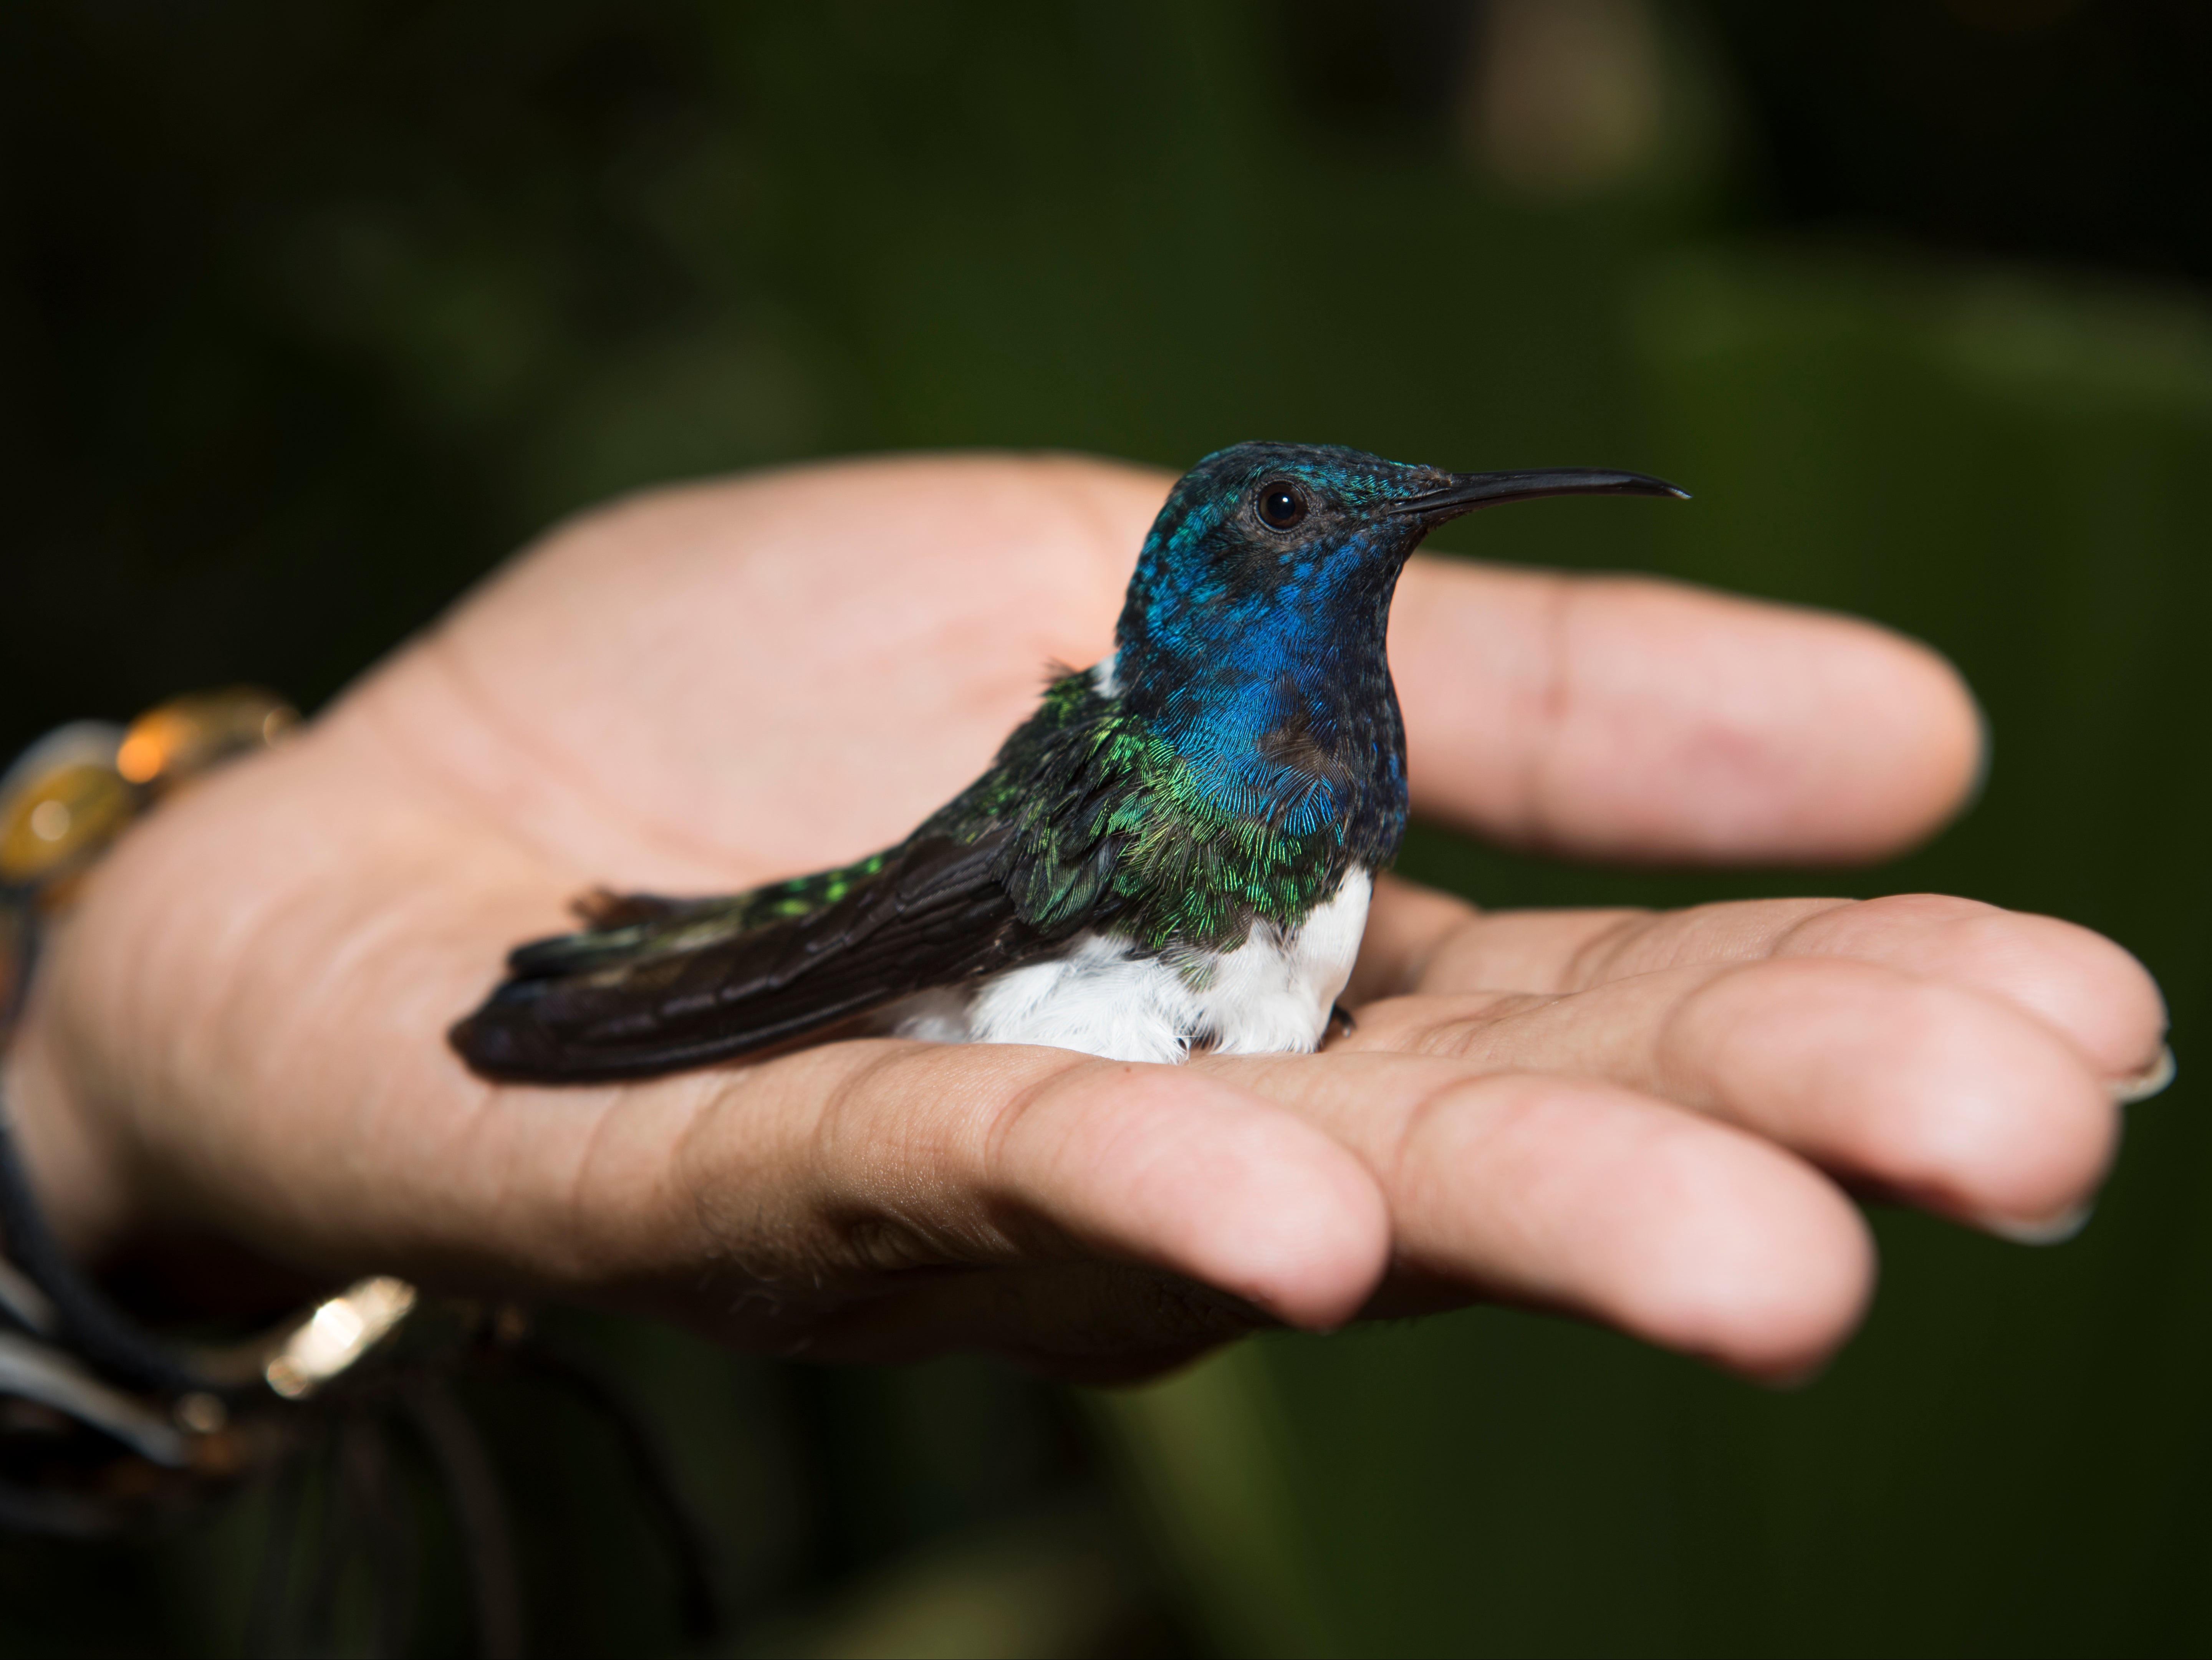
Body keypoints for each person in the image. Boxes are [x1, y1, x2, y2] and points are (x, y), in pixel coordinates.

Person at [1, 453, 2168, 1385]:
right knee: (752, 950)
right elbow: (882, 934)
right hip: (1007, 958)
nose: (1363, 528)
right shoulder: (1133, 775)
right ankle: (619, 963)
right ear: (1226, 569)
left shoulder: (1332, 741)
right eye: (1314, 513)